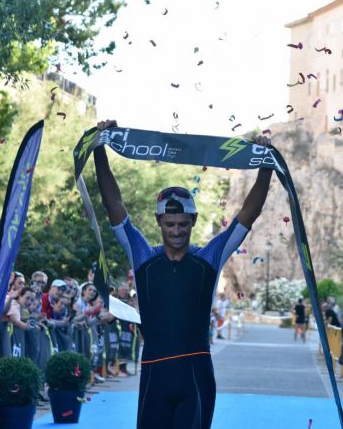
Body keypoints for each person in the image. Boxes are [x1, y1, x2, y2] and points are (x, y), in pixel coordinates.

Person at [93, 119, 273, 429]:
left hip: (196, 377)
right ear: (159, 221)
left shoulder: (209, 258)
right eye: (170, 224)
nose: (176, 231)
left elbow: (247, 216)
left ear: (193, 220)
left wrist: (266, 166)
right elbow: (115, 205)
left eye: (183, 224)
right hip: (154, 376)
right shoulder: (143, 257)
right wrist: (99, 152)